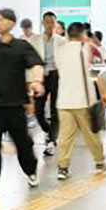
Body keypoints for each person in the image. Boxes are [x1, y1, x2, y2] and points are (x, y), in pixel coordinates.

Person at [0, 8, 44, 202]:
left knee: (23, 145)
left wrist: (37, 81)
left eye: (1, 20)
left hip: (15, 107)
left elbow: (36, 65)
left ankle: (30, 170)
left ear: (12, 23)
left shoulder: (22, 47)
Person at [54, 22, 106, 178]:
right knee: (91, 134)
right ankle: (100, 161)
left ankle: (63, 168)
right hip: (82, 100)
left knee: (65, 136)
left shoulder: (59, 50)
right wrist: (104, 93)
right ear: (82, 34)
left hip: (64, 100)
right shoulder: (88, 48)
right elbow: (97, 73)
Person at [26, 12, 65, 157]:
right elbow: (30, 62)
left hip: (56, 76)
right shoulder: (34, 40)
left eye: (52, 22)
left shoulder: (62, 41)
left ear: (56, 24)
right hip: (40, 77)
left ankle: (52, 141)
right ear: (43, 23)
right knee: (38, 111)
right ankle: (50, 131)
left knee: (55, 110)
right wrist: (30, 82)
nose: (50, 25)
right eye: (47, 22)